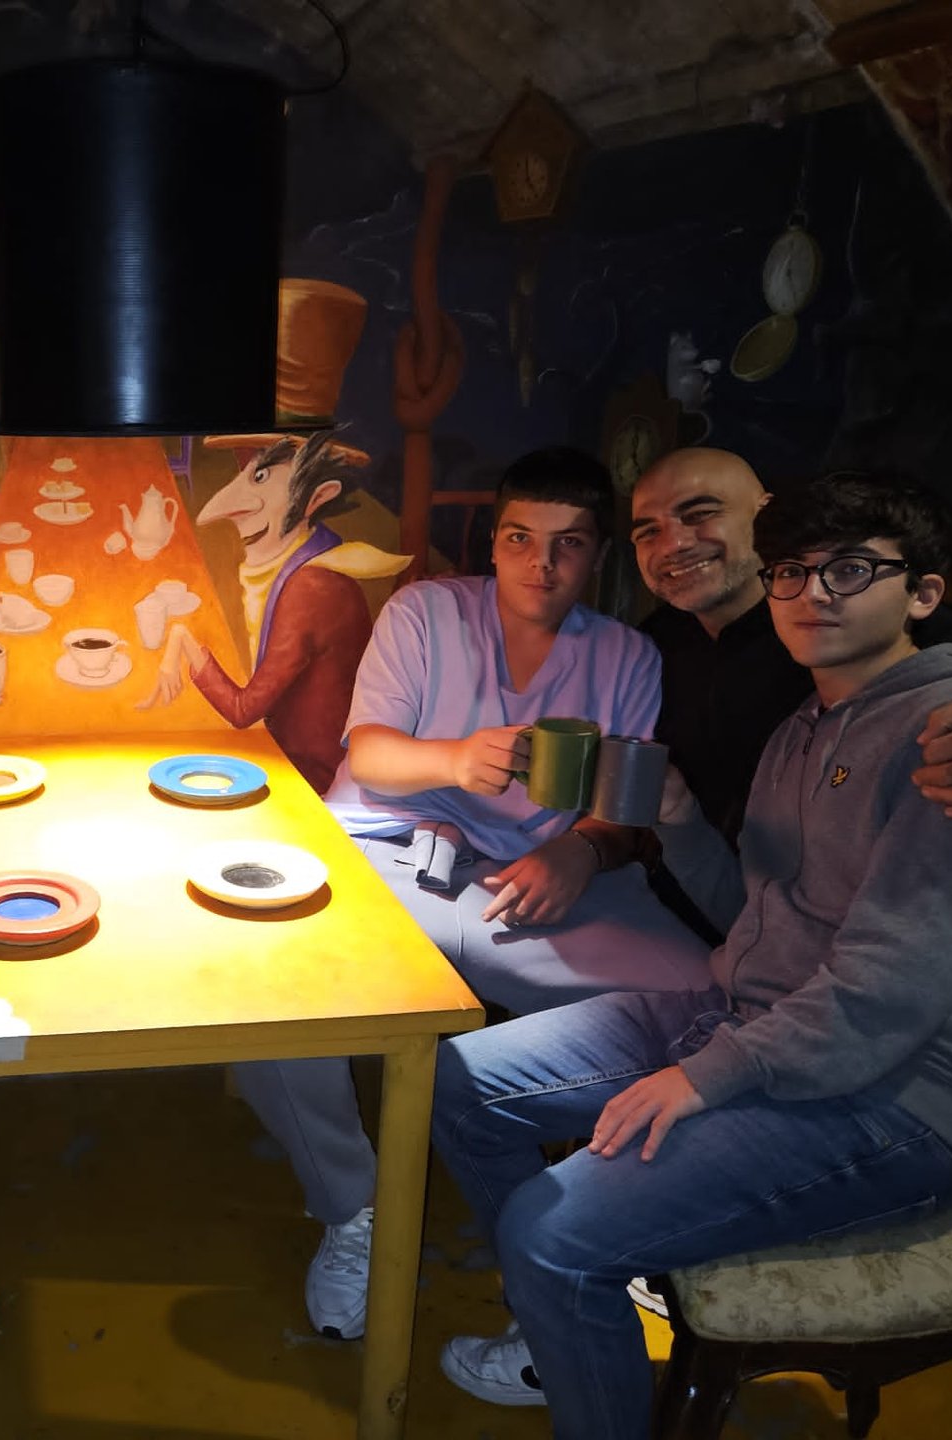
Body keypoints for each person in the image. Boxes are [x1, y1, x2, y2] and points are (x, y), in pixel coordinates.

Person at [434, 473, 952, 1439]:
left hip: (907, 1101)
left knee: (549, 1232)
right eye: (795, 574)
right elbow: (753, 915)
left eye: (852, 571)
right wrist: (676, 823)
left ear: (922, 595)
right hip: (762, 1016)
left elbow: (894, 987)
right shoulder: (805, 728)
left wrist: (704, 1078)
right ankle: (579, 1311)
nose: (816, 596)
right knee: (454, 1080)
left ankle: (573, 1284)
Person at [233, 447, 713, 1341]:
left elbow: (625, 807)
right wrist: (454, 759)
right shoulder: (426, 612)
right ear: (493, 543)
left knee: (706, 999)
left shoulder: (627, 655)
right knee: (269, 999)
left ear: (599, 555)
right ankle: (352, 1212)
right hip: (388, 857)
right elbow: (369, 752)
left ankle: (609, 1219)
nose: (543, 564)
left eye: (570, 544)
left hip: (532, 889)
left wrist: (581, 851)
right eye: (522, 538)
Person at [630, 447, 952, 842]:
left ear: (764, 513)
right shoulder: (651, 641)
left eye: (700, 514)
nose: (672, 543)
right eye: (647, 530)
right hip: (713, 906)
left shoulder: (860, 622)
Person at [139, 429, 410, 792]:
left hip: (316, 779)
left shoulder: (311, 590)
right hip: (294, 757)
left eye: (262, 476)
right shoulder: (299, 569)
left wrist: (182, 640)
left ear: (315, 499)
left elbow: (242, 710)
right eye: (248, 471)